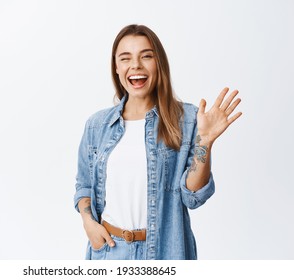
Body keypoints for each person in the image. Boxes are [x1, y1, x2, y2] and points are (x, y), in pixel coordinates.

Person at [73, 24, 242, 260]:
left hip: (165, 252)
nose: (136, 66)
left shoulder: (188, 120)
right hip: (110, 252)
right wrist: (88, 222)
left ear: (158, 63)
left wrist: (205, 142)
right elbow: (84, 186)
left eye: (146, 56)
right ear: (117, 67)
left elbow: (193, 197)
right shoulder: (97, 125)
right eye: (125, 58)